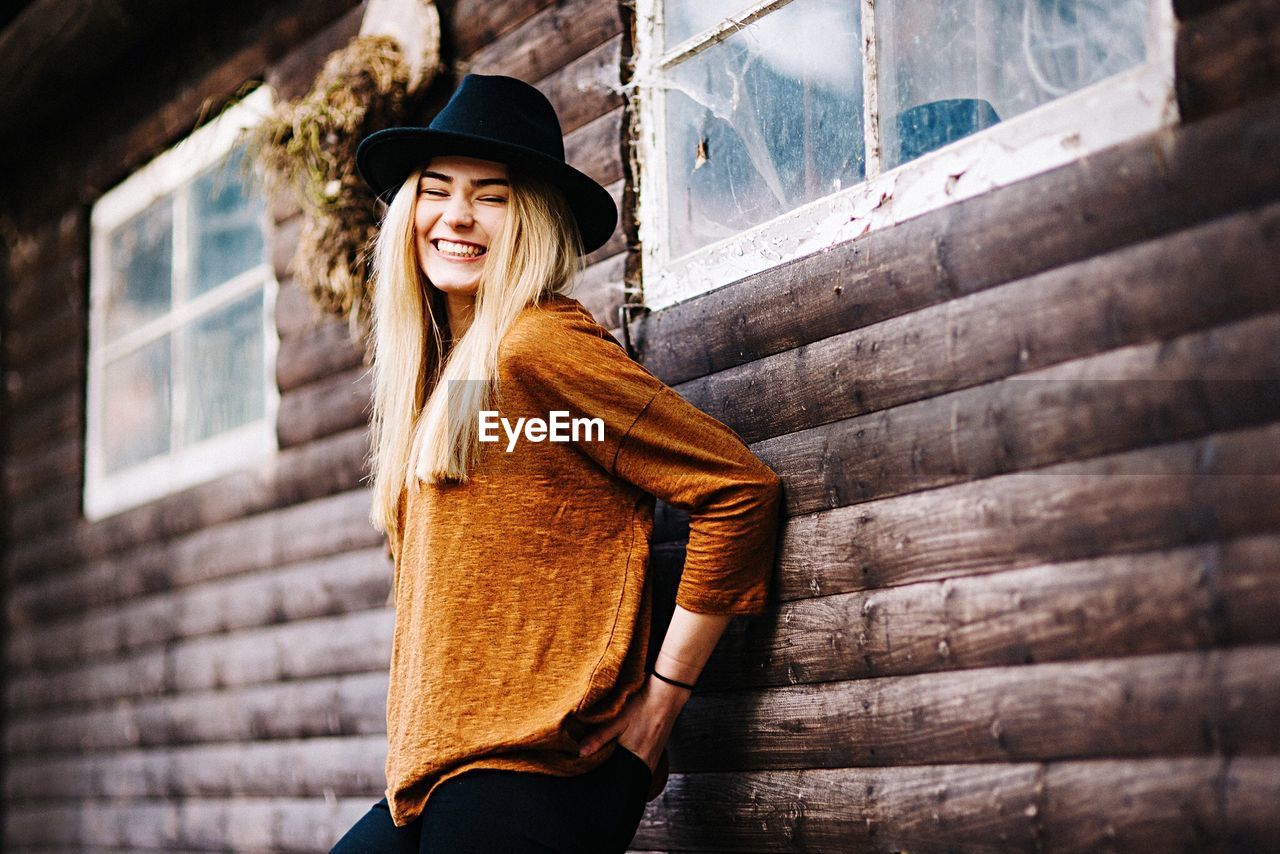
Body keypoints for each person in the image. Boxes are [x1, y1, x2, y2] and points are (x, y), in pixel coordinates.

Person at [330, 73, 784, 853]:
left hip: (529, 772)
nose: (457, 216)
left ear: (531, 219)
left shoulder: (538, 346)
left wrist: (657, 710)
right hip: (434, 776)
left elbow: (736, 491)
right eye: (436, 190)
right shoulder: (466, 375)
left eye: (492, 196)